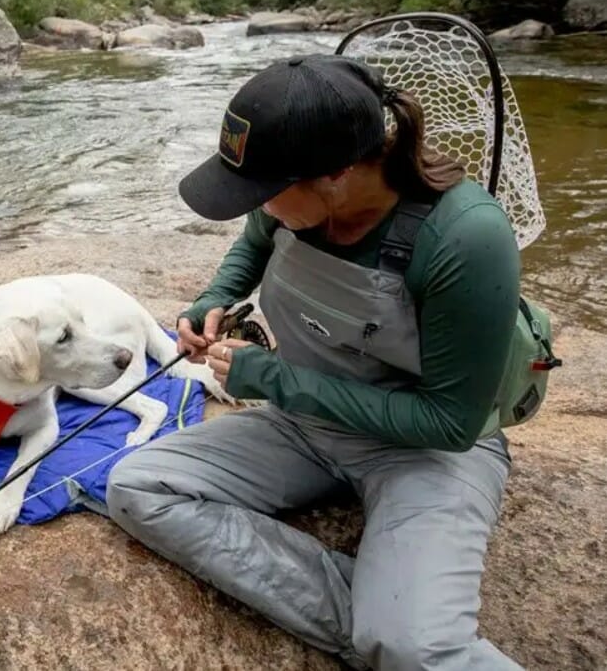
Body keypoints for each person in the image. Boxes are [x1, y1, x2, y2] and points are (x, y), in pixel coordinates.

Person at [106, 54, 524, 671]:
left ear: (337, 174)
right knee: (137, 485)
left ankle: (400, 631)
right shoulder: (285, 194)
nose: (259, 206)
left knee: (412, 645)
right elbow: (252, 244)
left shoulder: (466, 237)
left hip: (426, 452)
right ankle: (381, 622)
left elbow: (450, 423)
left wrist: (274, 379)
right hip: (304, 428)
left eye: (265, 194)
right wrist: (214, 298)